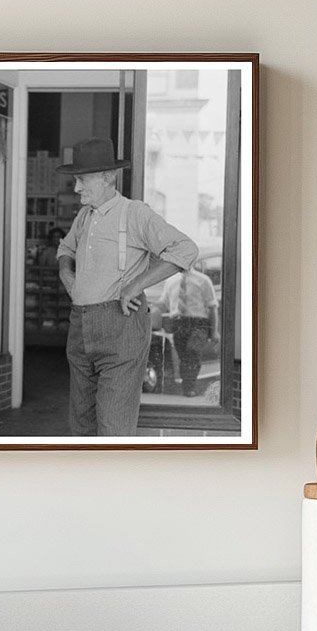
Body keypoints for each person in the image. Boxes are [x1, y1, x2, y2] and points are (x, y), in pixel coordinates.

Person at [56, 137, 199, 436]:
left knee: (114, 428)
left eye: (82, 180)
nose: (77, 188)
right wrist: (67, 276)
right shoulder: (85, 215)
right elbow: (65, 250)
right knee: (81, 426)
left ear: (108, 177)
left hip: (120, 327)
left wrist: (135, 286)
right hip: (80, 327)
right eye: (76, 180)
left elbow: (185, 249)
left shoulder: (135, 213)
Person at [158, 265, 219, 397]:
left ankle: (189, 388)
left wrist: (214, 331)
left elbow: (212, 307)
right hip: (178, 323)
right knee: (184, 356)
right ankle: (187, 386)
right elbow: (163, 303)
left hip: (199, 323)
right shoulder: (171, 281)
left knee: (193, 350)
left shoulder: (203, 280)